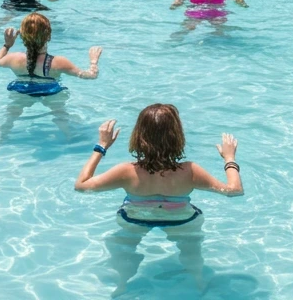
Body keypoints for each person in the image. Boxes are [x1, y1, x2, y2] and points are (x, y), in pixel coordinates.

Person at [73, 105, 242, 294]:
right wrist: (229, 158)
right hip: (181, 219)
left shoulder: (126, 171)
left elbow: (81, 185)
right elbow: (234, 191)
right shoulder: (190, 171)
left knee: (124, 248)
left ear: (138, 135)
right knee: (191, 249)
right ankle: (199, 281)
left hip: (135, 218)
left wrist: (101, 146)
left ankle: (121, 286)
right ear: (177, 136)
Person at [0, 14, 100, 94]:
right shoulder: (58, 62)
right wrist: (93, 61)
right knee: (61, 118)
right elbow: (91, 75)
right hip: (50, 92)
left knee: (11, 118)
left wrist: (7, 45)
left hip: (22, 91)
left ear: (22, 35)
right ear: (48, 35)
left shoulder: (13, 58)